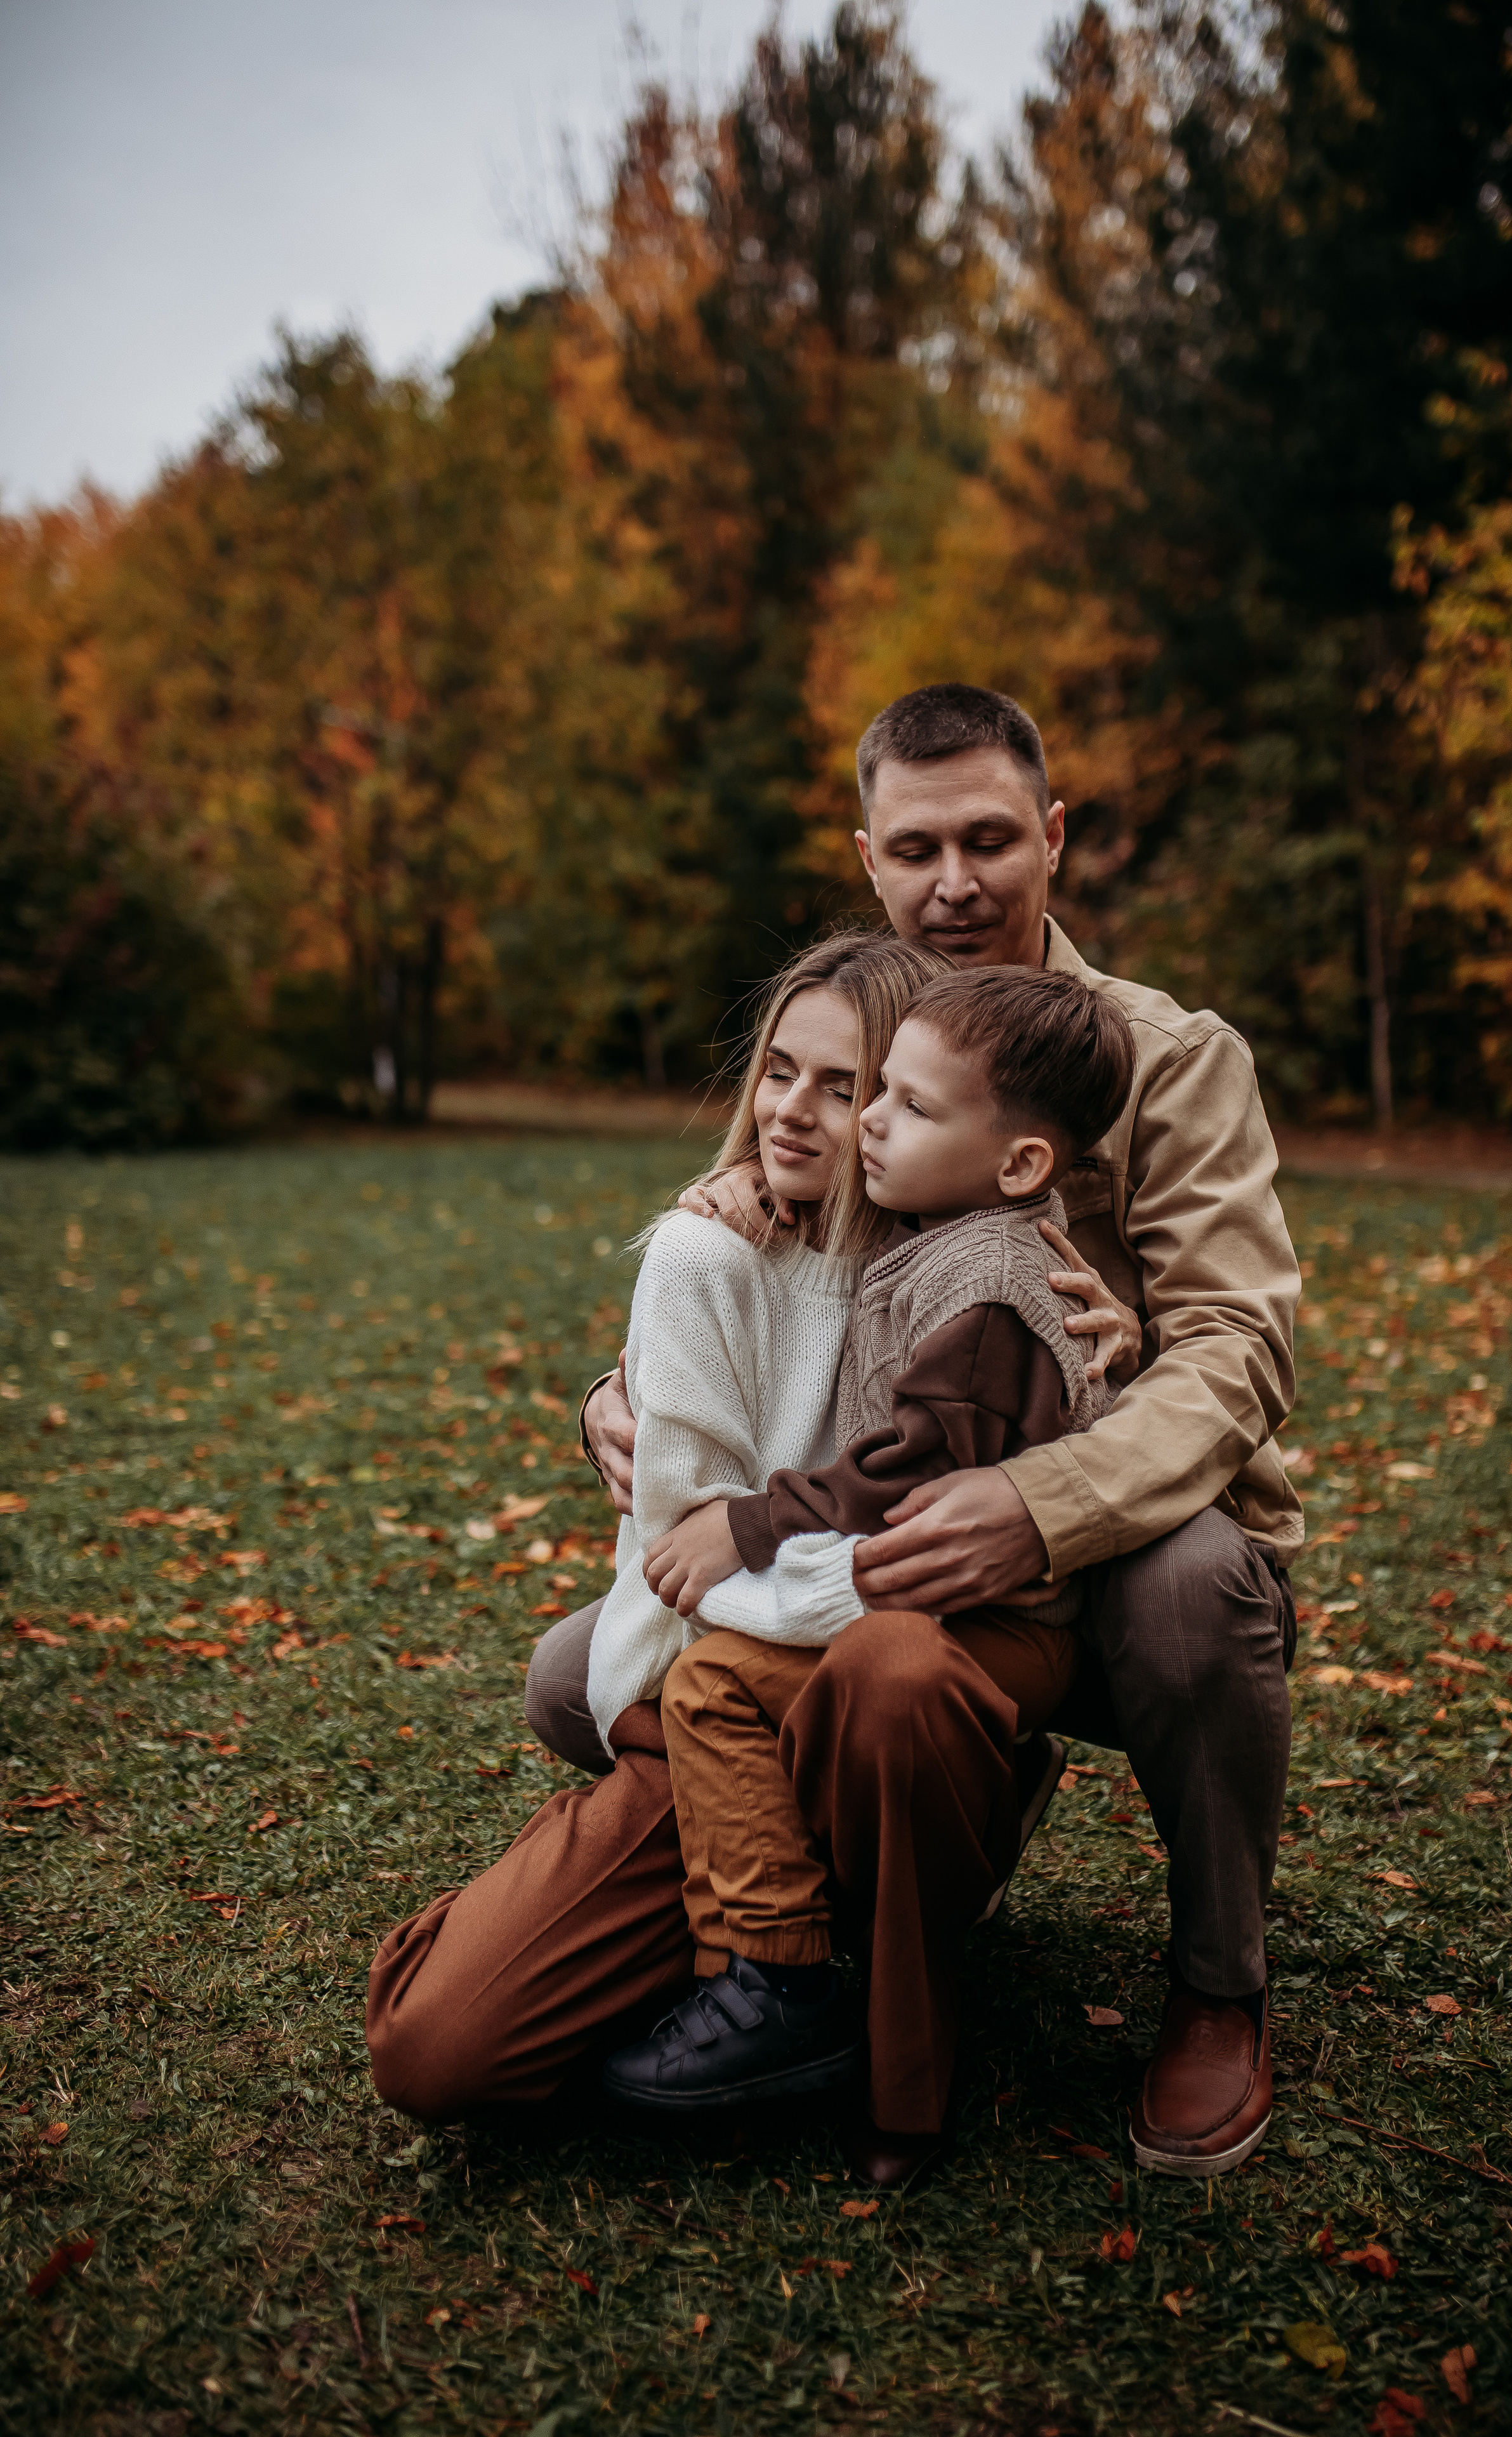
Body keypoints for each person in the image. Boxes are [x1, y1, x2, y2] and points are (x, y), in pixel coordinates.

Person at [558, 681, 1301, 2179]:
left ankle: (1218, 1984)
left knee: (1191, 1594)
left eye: (985, 839)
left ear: (1052, 836)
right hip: (878, 1517)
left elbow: (1234, 1346)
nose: (951, 883)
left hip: (1098, 1521)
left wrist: (1042, 1499)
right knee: (571, 1675)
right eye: (914, 850)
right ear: (867, 857)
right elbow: (753, 1250)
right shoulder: (861, 1039)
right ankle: (811, 1925)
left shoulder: (1165, 1053)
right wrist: (616, 1396)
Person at [366, 922, 1106, 2170]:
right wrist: (634, 1399)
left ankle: (846, 1938)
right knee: (434, 2054)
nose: (803, 1116)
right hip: (712, 1730)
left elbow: (993, 1418)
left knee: (898, 1671)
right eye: (779, 1072)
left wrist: (1098, 1360)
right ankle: (738, 1954)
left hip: (862, 1703)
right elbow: (687, 1569)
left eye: (852, 1086)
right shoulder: (710, 1253)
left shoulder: (955, 1257)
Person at [600, 965, 1136, 2115]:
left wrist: (743, 1533)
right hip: (915, 1586)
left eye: (880, 1097)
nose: (844, 1119)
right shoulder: (943, 1236)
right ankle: (770, 1956)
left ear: (1018, 1162)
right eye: (857, 1091)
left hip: (990, 1605)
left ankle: (772, 1976)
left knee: (711, 1691)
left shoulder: (985, 1279)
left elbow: (906, 1475)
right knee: (609, 1688)